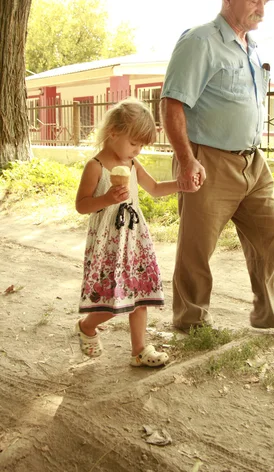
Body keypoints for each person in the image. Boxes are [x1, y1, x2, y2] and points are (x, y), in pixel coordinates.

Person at [160, 0, 274, 332]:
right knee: (197, 247)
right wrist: (187, 160)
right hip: (208, 159)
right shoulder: (200, 41)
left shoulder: (252, 48)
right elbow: (173, 103)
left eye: (266, 1)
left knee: (272, 232)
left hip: (252, 162)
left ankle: (269, 312)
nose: (262, 8)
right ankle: (190, 322)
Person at [75, 97, 198, 366]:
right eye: (134, 143)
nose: (138, 150)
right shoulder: (95, 166)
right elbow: (81, 206)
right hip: (109, 241)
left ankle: (139, 351)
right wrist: (106, 199)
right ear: (113, 133)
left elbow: (153, 189)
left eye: (142, 145)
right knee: (112, 300)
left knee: (141, 295)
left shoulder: (131, 164)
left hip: (135, 237)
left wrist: (182, 185)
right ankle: (87, 325)